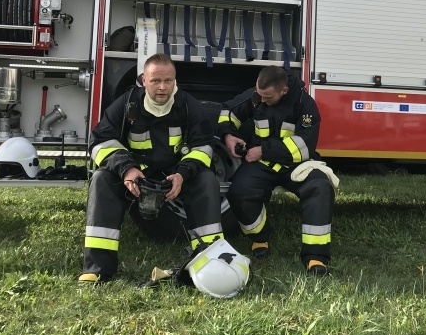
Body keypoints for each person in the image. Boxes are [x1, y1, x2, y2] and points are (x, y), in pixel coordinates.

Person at [79, 53, 223, 284]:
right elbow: (100, 142)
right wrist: (126, 170)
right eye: (156, 81)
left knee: (206, 180)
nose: (163, 87)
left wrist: (183, 174)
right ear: (144, 80)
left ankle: (211, 259)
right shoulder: (126, 105)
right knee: (101, 179)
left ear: (175, 80)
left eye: (168, 81)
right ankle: (98, 269)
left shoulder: (188, 105)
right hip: (136, 175)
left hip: (175, 175)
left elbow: (204, 146)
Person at [218, 65, 335, 276]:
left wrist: (263, 150)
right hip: (262, 164)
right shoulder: (257, 95)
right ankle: (259, 238)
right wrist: (228, 134)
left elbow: (303, 147)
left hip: (296, 165)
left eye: (267, 97)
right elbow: (227, 111)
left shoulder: (305, 105)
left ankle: (316, 256)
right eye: (259, 95)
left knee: (320, 187)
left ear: (284, 91)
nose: (261, 101)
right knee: (239, 192)